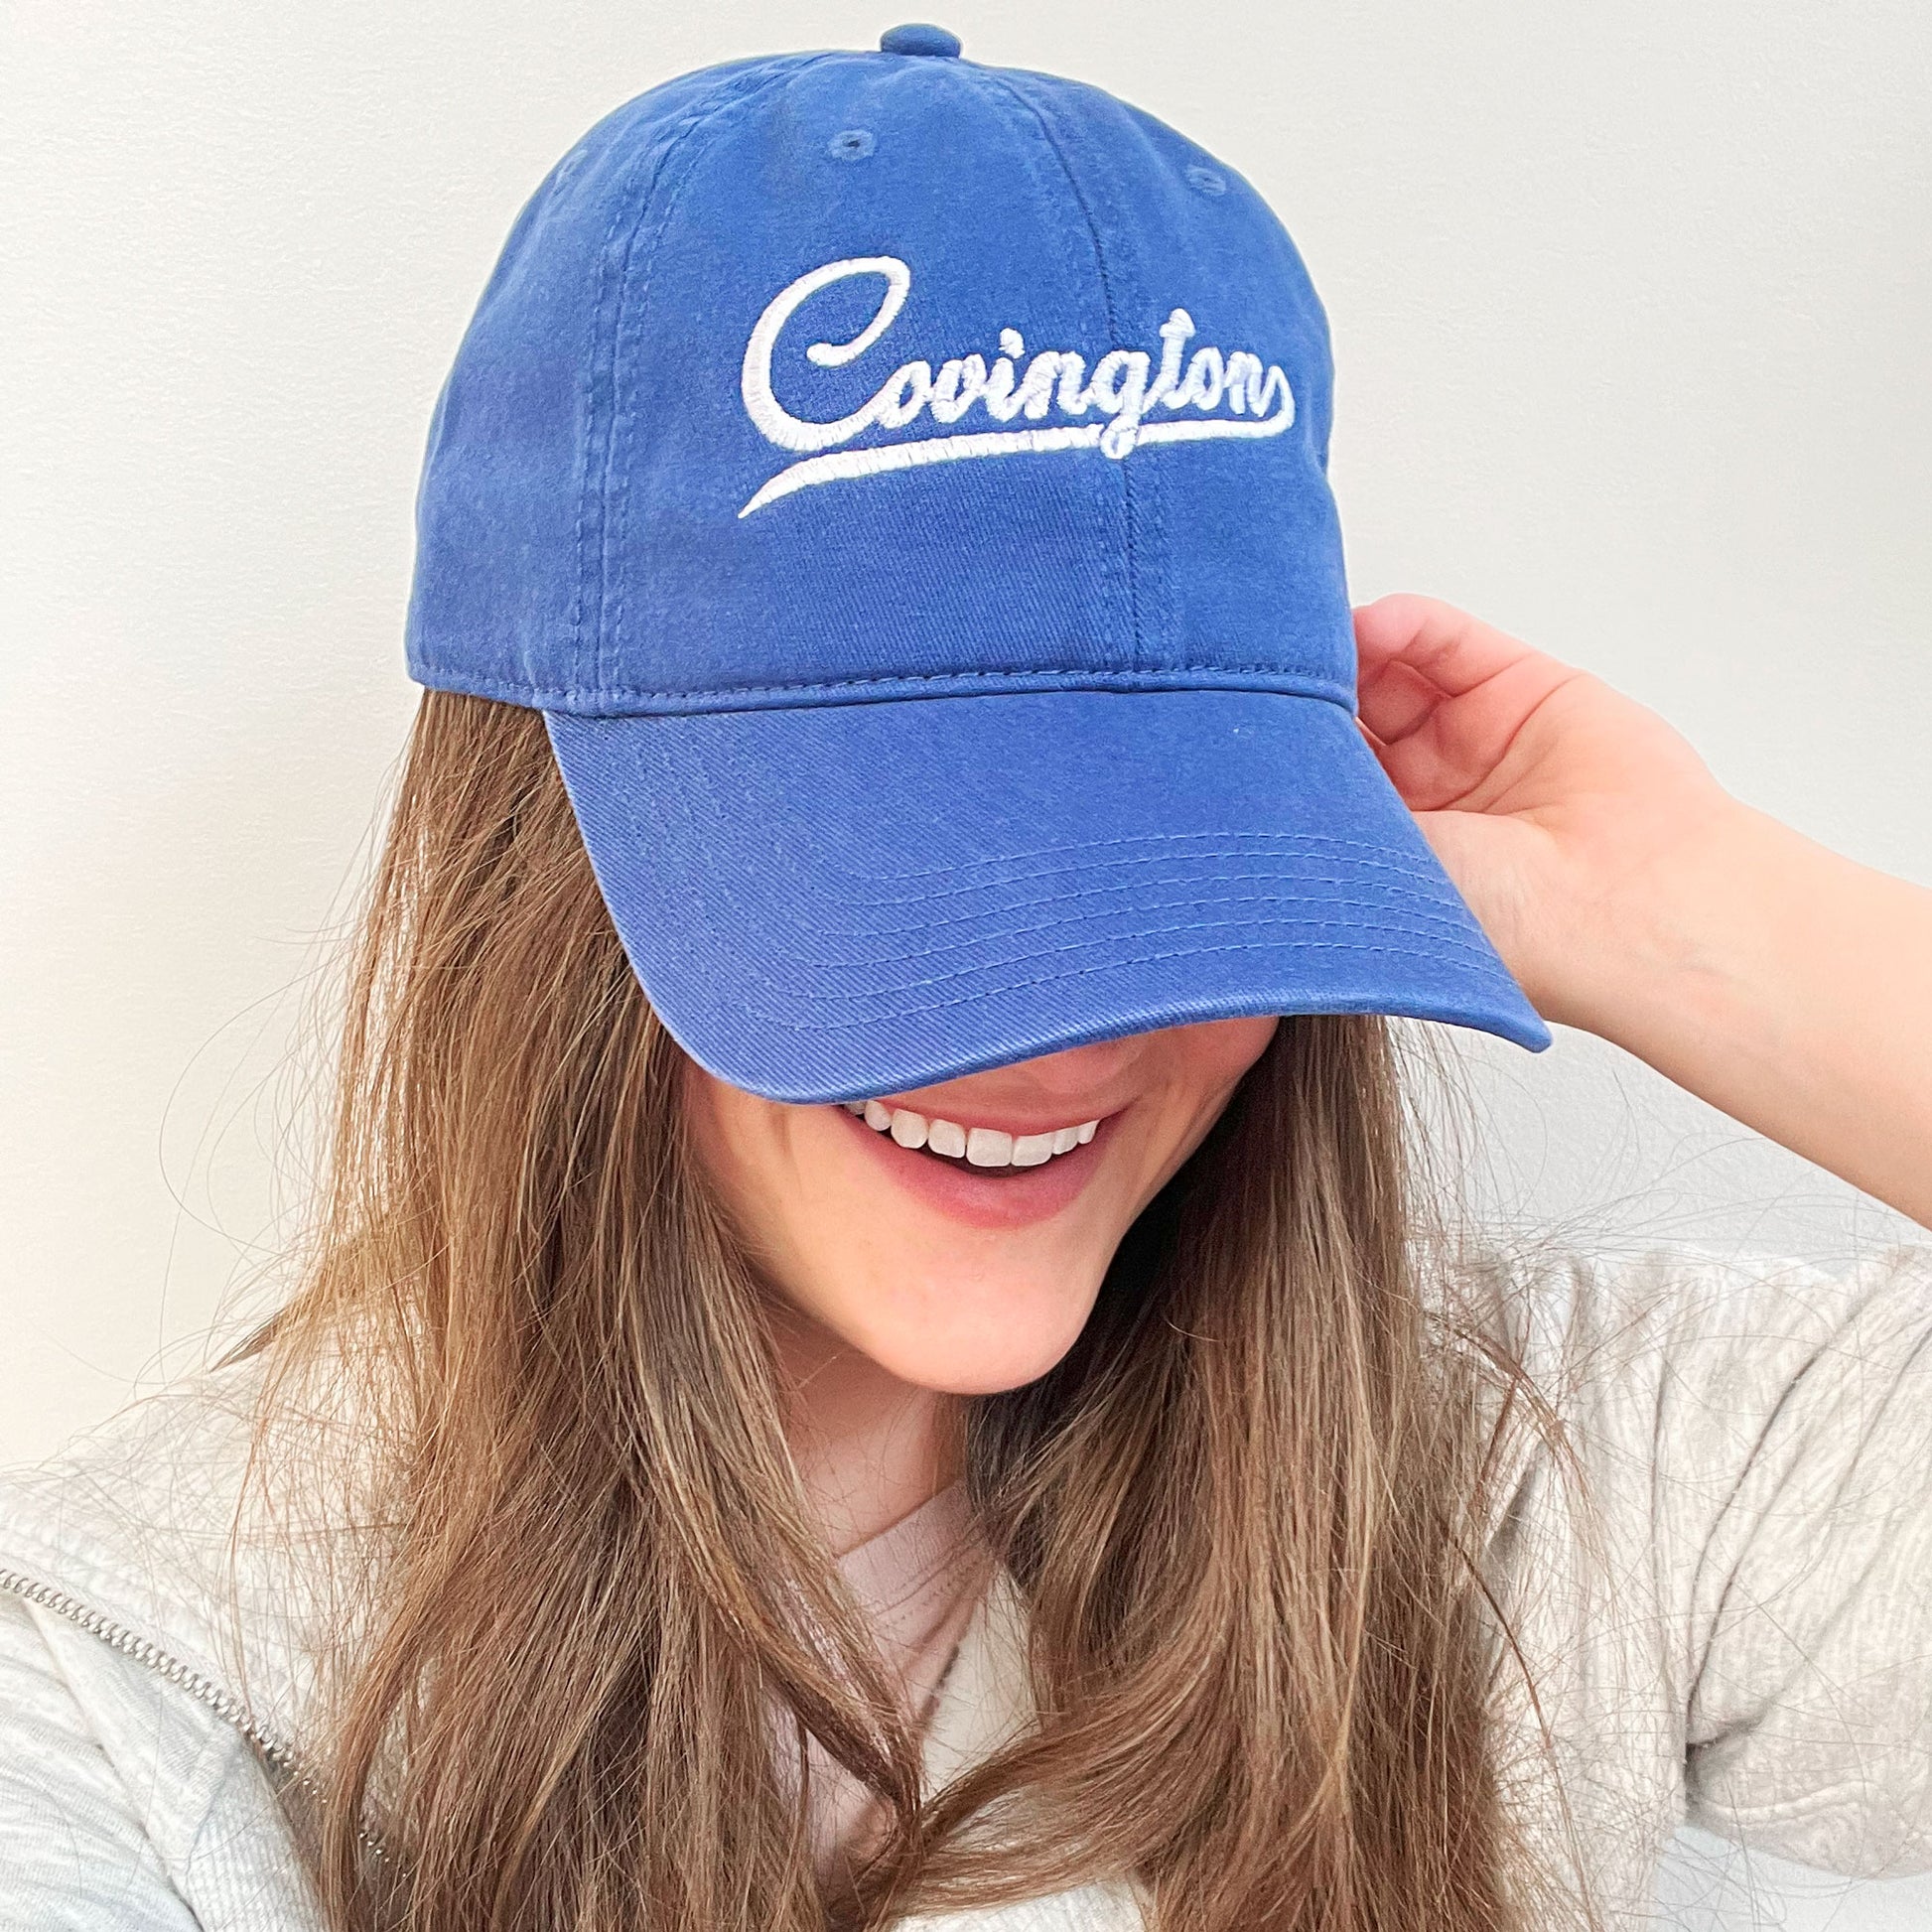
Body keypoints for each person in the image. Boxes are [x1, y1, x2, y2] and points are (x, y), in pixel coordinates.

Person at [1, 24, 1928, 1932]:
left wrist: (1676, 910)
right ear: (551, 868)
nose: (1070, 1024)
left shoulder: (1533, 1491)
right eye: (900, 865)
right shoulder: (126, 1708)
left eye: (1178, 871)